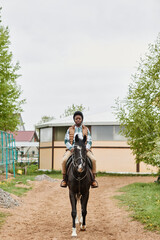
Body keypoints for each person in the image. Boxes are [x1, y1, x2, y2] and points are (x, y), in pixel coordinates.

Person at [60, 111, 98, 188]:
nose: (78, 120)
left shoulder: (86, 129)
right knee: (64, 160)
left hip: (84, 149)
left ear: (82, 120)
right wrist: (71, 148)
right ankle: (64, 179)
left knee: (93, 160)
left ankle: (93, 180)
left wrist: (87, 147)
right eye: (76, 118)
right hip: (73, 149)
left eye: (79, 118)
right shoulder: (70, 129)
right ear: (74, 119)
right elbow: (66, 141)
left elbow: (90, 140)